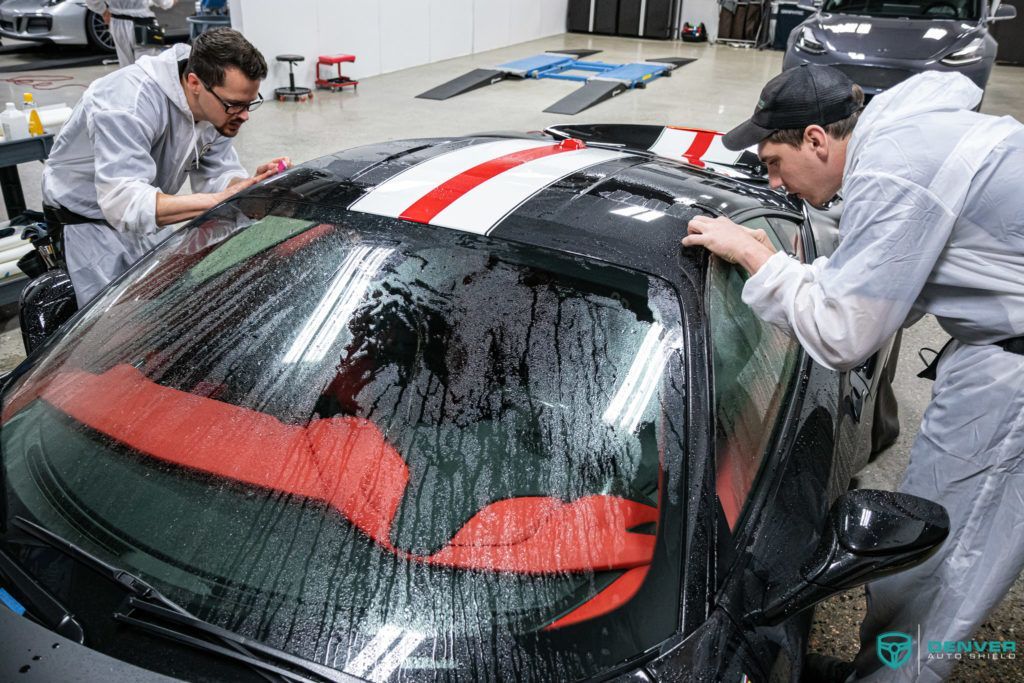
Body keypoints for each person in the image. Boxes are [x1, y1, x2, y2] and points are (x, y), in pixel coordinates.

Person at [683, 64, 1024, 682]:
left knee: (941, 571)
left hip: (1014, 374)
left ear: (816, 139)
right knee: (923, 567)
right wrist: (793, 274)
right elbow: (886, 285)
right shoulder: (909, 140)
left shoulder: (894, 167)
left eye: (773, 162)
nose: (774, 180)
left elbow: (845, 333)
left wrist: (758, 256)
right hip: (999, 347)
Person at [42, 28, 290, 307]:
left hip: (148, 211)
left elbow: (216, 173)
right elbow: (122, 202)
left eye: (249, 103)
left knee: (160, 305)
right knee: (110, 324)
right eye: (234, 105)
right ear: (195, 83)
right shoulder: (127, 102)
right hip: (89, 226)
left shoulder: (216, 106)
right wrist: (217, 201)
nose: (244, 115)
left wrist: (248, 188)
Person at [86, 0, 176, 69]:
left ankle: (129, 91)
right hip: (143, 23)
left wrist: (103, 11)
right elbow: (165, 2)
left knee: (126, 66)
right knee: (148, 67)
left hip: (117, 21)